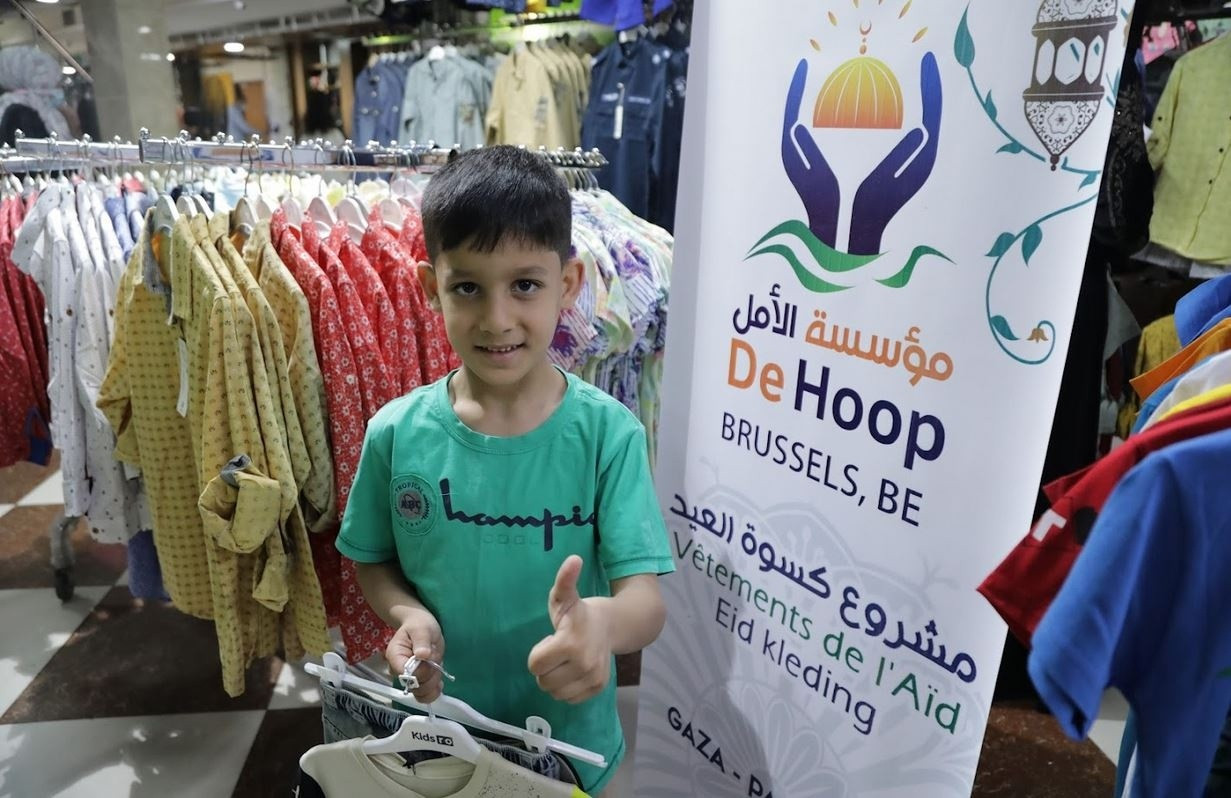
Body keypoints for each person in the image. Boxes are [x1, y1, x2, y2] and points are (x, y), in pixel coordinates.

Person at [336, 145, 674, 796]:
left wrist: (601, 625)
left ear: (567, 285)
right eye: (468, 287)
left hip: (569, 748)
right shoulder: (395, 434)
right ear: (429, 288)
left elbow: (646, 602)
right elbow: (373, 562)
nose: (497, 320)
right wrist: (409, 614)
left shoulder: (608, 435)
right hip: (438, 740)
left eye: (524, 285)